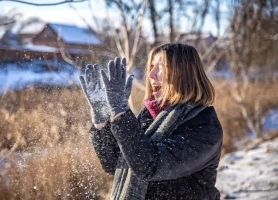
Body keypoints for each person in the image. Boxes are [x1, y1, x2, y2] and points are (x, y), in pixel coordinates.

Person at [79, 43, 223, 200]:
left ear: (183, 74)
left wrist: (121, 112)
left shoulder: (204, 126)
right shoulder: (150, 116)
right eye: (152, 66)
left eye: (160, 67)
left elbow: (150, 166)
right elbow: (116, 164)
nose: (151, 75)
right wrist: (103, 121)